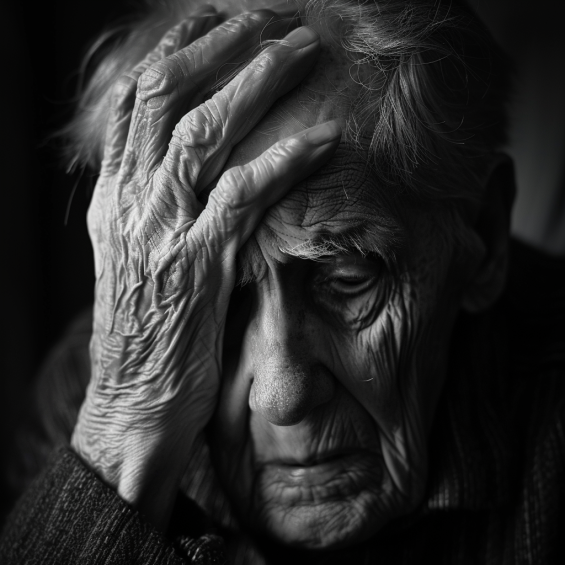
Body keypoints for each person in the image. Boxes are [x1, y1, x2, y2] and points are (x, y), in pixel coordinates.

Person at [1, 0, 564, 563]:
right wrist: (123, 444)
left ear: (483, 238)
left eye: (346, 277)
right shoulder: (84, 403)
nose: (282, 395)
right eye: (212, 299)